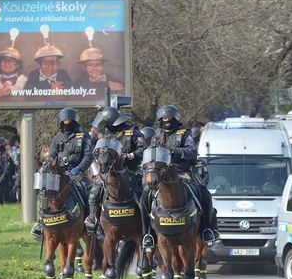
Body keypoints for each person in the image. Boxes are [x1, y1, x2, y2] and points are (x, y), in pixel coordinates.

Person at [140, 105, 220, 248]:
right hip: (161, 173)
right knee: (145, 195)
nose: (166, 122)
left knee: (203, 192)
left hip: (182, 171)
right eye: (164, 119)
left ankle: (207, 229)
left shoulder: (185, 133)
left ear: (174, 119)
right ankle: (148, 234)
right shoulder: (157, 135)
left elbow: (192, 151)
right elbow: (150, 152)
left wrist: (174, 151)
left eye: (169, 119)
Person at [31, 108, 93, 237]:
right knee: (45, 192)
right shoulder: (57, 138)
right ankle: (41, 222)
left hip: (77, 174)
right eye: (65, 120)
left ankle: (89, 220)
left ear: (74, 121)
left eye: (69, 120)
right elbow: (52, 155)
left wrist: (79, 169)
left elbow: (88, 156)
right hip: (59, 174)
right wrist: (49, 164)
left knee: (88, 190)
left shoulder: (84, 136)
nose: (67, 122)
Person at [84, 107, 147, 233]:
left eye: (106, 122)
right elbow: (95, 149)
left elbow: (143, 148)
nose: (105, 126)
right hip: (109, 171)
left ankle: (147, 223)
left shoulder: (132, 131)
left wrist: (130, 155)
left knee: (145, 192)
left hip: (132, 169)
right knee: (95, 190)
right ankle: (92, 218)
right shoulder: (106, 134)